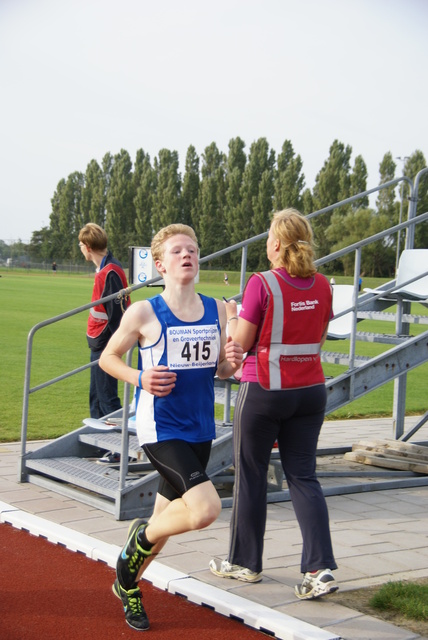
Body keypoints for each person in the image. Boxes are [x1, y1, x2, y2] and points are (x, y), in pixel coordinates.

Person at [99, 223, 243, 631]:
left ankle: (128, 585)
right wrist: (139, 379)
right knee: (204, 509)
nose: (188, 255)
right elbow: (108, 359)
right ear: (160, 264)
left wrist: (232, 359)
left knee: (164, 526)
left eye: (193, 249)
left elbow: (221, 370)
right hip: (161, 429)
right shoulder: (144, 312)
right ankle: (135, 542)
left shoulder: (217, 309)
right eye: (178, 250)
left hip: (200, 428)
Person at [209, 208, 338, 600]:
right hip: (310, 391)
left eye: (268, 237)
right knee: (304, 477)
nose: (266, 243)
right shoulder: (323, 285)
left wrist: (231, 316)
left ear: (277, 244)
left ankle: (245, 562)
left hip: (264, 391)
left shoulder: (260, 284)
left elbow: (241, 343)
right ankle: (320, 570)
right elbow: (319, 337)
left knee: (251, 475)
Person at [78, 223, 130, 421]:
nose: (81, 249)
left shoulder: (110, 272)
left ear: (87, 247)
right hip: (99, 343)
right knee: (97, 398)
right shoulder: (106, 269)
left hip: (105, 344)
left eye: (81, 245)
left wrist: (114, 347)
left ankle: (117, 448)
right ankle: (100, 445)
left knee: (107, 399)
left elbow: (117, 314)